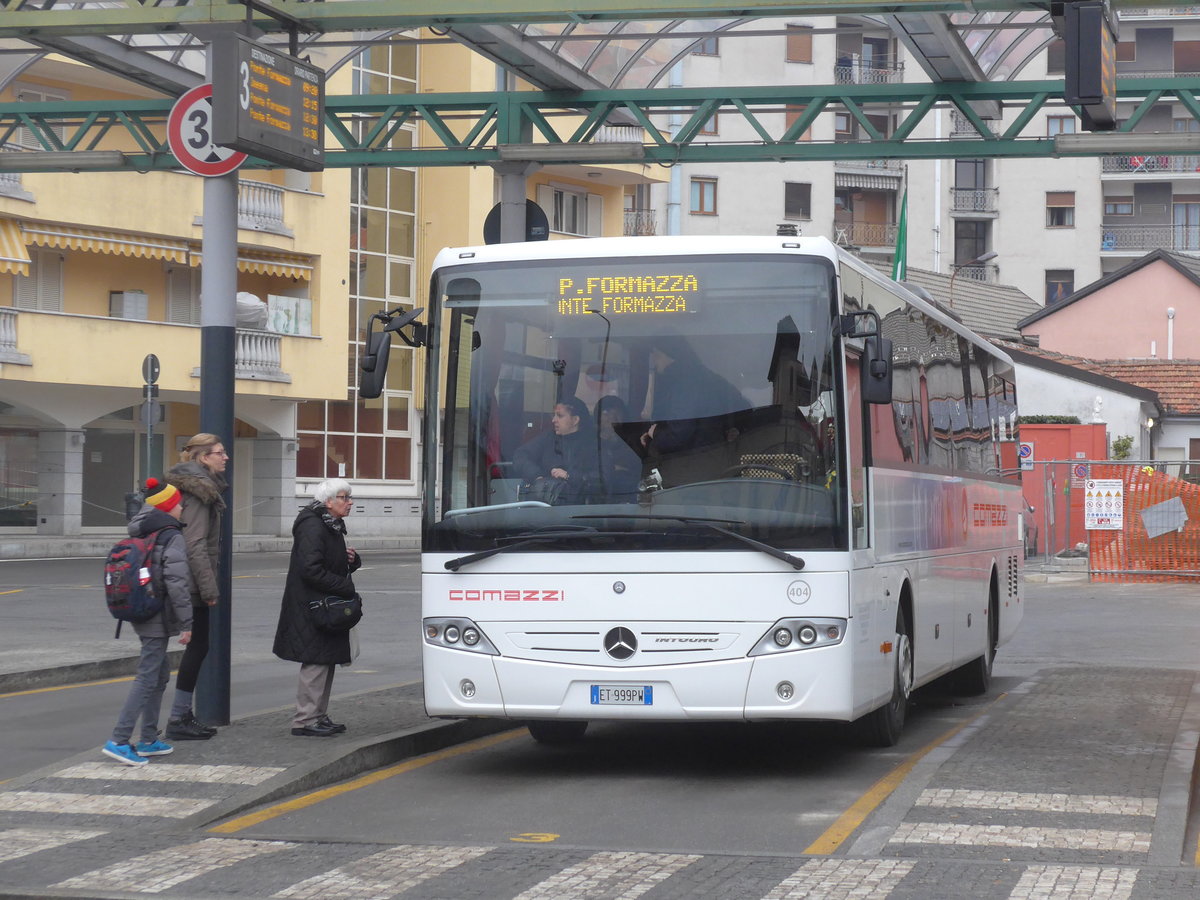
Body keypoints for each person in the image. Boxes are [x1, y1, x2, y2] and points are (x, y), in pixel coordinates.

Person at [101, 478, 193, 767]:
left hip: (142, 607)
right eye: (179, 502)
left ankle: (149, 739)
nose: (182, 507)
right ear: (168, 506)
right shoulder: (170, 535)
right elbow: (177, 582)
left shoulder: (143, 530)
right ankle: (119, 739)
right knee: (147, 676)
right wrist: (187, 622)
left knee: (159, 675)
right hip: (157, 613)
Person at [273, 479, 361, 737]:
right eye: (345, 497)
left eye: (349, 497)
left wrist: (352, 560)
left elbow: (328, 561)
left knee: (326, 660)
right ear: (328, 501)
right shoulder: (313, 526)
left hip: (323, 604)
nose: (350, 502)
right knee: (315, 662)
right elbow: (310, 570)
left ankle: (317, 715)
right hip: (313, 606)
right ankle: (305, 720)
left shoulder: (329, 524)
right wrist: (344, 588)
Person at [163, 433, 228, 741]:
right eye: (219, 452)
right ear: (204, 458)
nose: (225, 457)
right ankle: (178, 717)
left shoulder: (190, 485)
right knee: (198, 646)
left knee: (195, 646)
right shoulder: (200, 491)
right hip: (189, 581)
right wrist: (209, 588)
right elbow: (195, 543)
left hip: (181, 577)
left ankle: (177, 716)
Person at [639, 337, 746, 455]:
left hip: (692, 462)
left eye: (657, 355)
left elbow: (679, 434)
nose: (654, 360)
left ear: (671, 355)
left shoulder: (685, 382)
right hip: (714, 456)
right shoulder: (709, 377)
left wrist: (655, 433)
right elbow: (743, 409)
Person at [512, 396, 600, 504]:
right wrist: (537, 476)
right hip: (546, 507)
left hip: (582, 510)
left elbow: (602, 480)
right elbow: (520, 456)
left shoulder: (593, 445)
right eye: (554, 415)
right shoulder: (548, 438)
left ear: (575, 420)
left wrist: (569, 476)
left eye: (560, 416)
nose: (554, 420)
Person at [593, 396, 641, 502]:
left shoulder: (632, 443)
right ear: (598, 417)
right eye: (606, 413)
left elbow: (637, 472)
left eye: (617, 413)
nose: (613, 418)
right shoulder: (590, 443)